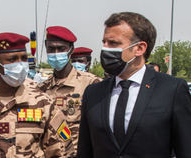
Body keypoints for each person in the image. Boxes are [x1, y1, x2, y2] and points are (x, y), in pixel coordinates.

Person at [77, 12, 191, 158]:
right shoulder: (94, 93)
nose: (105, 49)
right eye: (104, 42)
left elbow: (186, 150)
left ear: (140, 48)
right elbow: (85, 150)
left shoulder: (171, 90)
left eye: (113, 43)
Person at [37, 26, 101, 157]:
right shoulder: (41, 89)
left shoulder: (91, 84)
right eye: (51, 49)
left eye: (61, 49)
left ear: (71, 49)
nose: (55, 53)